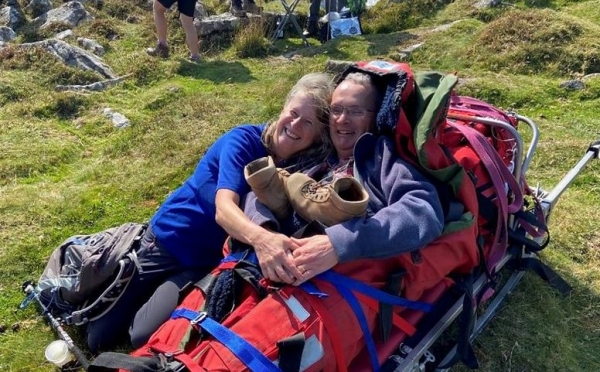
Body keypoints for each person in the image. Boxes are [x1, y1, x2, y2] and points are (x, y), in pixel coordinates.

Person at [85, 72, 334, 352]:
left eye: (308, 122)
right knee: (98, 338)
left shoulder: (302, 168)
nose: (295, 124)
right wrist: (263, 241)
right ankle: (109, 259)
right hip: (168, 241)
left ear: (317, 135)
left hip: (202, 263)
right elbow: (224, 210)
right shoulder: (244, 141)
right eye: (294, 113)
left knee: (140, 336)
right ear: (283, 108)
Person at [246, 71, 444, 284]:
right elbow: (255, 195)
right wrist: (266, 236)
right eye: (336, 110)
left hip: (329, 287)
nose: (342, 120)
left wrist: (337, 244)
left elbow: (424, 210)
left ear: (374, 116)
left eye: (355, 112)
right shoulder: (317, 155)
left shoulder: (381, 159)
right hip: (272, 262)